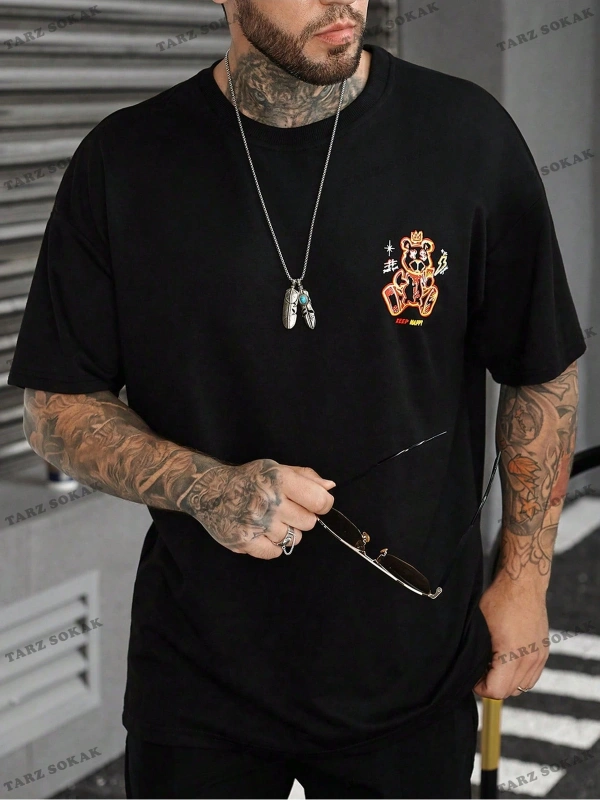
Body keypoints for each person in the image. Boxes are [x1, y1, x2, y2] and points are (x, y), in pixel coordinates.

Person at [8, 0, 586, 797]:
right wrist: (209, 488)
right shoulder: (126, 162)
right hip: (201, 683)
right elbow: (56, 406)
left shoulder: (466, 137)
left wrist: (524, 581)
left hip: (412, 672)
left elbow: (540, 370)